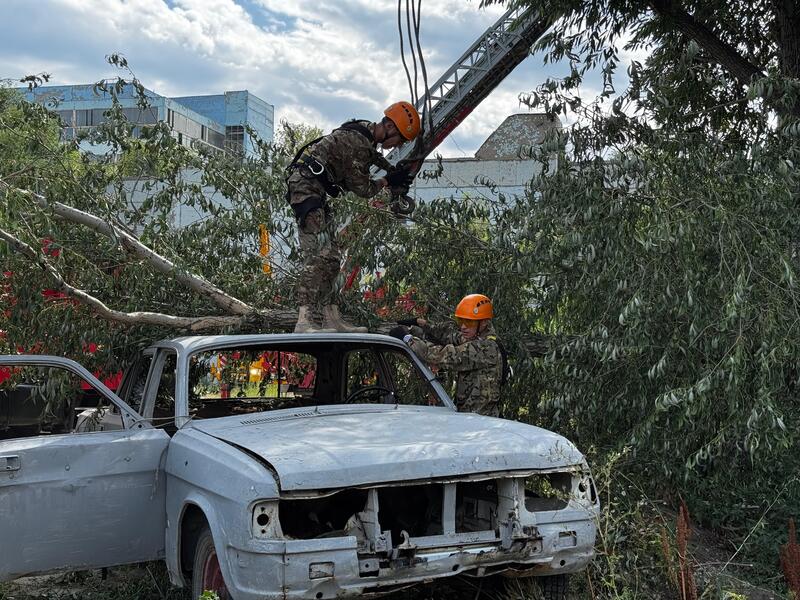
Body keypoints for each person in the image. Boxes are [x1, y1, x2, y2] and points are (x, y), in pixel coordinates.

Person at [286, 101, 421, 333]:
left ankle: (330, 318)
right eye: (400, 139)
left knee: (332, 257)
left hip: (315, 191)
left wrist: (393, 170)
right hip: (305, 189)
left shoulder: (364, 131)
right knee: (319, 256)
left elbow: (371, 156)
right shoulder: (358, 142)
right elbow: (364, 189)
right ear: (390, 127)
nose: (398, 145)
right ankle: (304, 319)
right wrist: (389, 180)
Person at [390, 294, 504, 417]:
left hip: (480, 420)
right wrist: (422, 324)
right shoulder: (477, 337)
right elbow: (451, 335)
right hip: (471, 417)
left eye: (469, 322)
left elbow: (438, 355)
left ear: (484, 323)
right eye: (461, 321)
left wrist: (408, 338)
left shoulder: (486, 348)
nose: (463, 327)